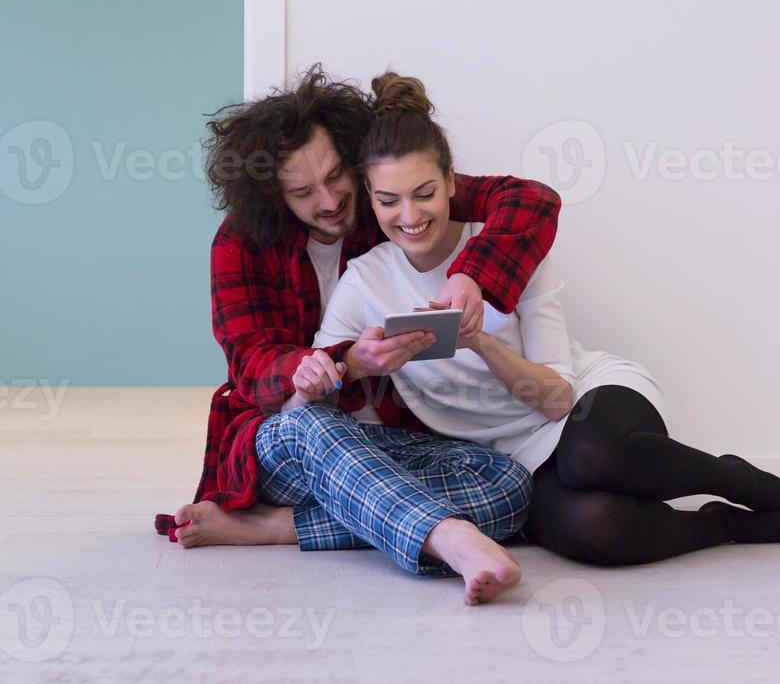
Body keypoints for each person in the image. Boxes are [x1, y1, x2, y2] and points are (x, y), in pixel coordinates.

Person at [296, 71, 780, 566]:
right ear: (369, 197)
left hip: (586, 402)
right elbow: (307, 397)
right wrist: (356, 365)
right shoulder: (363, 282)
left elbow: (558, 401)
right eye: (389, 200)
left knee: (591, 458)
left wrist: (481, 343)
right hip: (509, 456)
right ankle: (724, 527)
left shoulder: (505, 250)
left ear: (452, 182)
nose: (410, 217)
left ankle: (732, 477)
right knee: (594, 530)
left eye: (425, 193)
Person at [155, 65, 563, 604]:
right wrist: (339, 364)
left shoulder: (389, 204)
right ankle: (448, 537)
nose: (328, 201)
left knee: (510, 488)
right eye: (302, 191)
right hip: (287, 439)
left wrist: (471, 274)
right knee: (308, 426)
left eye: (335, 177)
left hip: (388, 441)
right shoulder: (240, 242)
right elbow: (251, 365)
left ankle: (273, 528)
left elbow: (530, 201)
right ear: (272, 194)